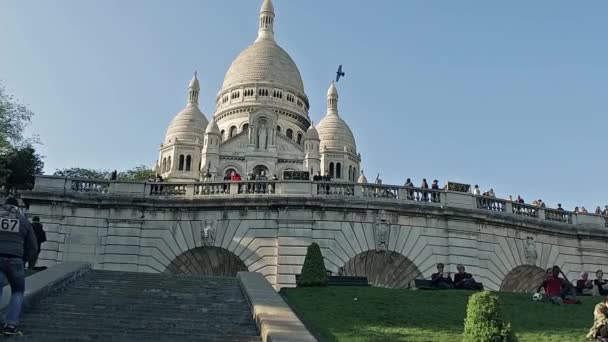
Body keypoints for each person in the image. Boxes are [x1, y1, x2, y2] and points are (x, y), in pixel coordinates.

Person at [0, 197, 38, 335]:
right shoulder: (24, 221)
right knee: (17, 291)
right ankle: (10, 325)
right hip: (16, 259)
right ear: (18, 208)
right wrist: (23, 259)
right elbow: (33, 246)